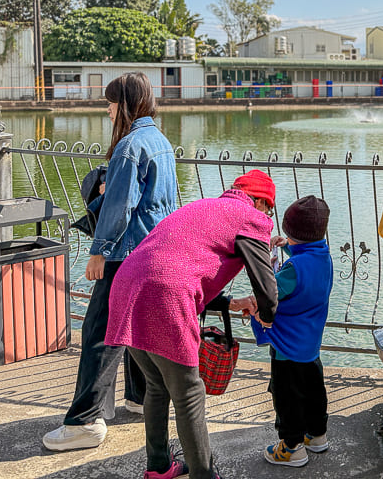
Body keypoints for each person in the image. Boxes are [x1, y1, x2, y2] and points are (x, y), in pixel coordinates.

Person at [105, 169, 280, 479]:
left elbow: (177, 262)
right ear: (261, 202)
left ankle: (159, 466)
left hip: (126, 288)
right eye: (270, 208)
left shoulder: (204, 207)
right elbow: (266, 287)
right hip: (163, 295)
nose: (269, 216)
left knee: (157, 386)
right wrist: (266, 315)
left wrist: (229, 303)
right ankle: (204, 474)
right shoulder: (251, 217)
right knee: (189, 393)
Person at [43, 72, 178, 452]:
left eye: (110, 103)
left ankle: (85, 421)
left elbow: (121, 206)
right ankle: (138, 397)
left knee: (100, 334)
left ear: (125, 104)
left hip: (123, 253)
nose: (107, 110)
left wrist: (99, 250)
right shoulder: (160, 141)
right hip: (153, 249)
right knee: (136, 327)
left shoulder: (130, 146)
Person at [238, 194, 333, 468]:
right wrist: (289, 247)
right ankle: (317, 436)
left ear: (291, 231)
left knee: (287, 396)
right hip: (310, 343)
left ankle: (291, 447)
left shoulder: (292, 270)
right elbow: (307, 258)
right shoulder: (323, 257)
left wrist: (265, 263)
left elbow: (270, 292)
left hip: (287, 346)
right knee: (314, 390)